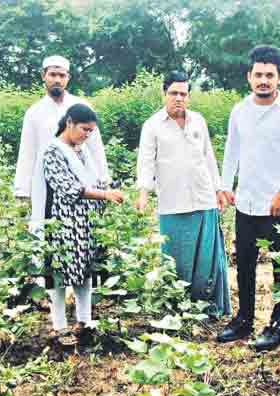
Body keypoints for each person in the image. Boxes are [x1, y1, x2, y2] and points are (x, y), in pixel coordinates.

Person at [216, 45, 280, 351]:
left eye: (269, 75)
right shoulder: (239, 111)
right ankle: (244, 320)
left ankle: (278, 326)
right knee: (244, 264)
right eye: (258, 74)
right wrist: (224, 185)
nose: (263, 80)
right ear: (249, 76)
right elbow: (231, 151)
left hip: (278, 206)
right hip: (245, 201)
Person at [135, 70, 231, 317]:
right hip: (173, 203)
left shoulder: (198, 120)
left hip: (204, 198)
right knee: (176, 259)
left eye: (184, 94)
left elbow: (208, 157)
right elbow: (146, 162)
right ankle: (179, 308)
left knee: (207, 258)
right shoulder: (152, 126)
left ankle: (208, 307)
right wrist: (143, 192)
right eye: (173, 93)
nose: (179, 98)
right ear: (164, 94)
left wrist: (218, 189)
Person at [30, 104, 124, 345]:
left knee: (86, 270)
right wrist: (104, 196)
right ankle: (59, 326)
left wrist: (108, 192)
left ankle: (85, 321)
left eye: (91, 131)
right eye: (84, 129)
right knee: (59, 273)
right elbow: (68, 188)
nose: (87, 135)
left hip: (85, 221)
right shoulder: (53, 151)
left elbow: (93, 180)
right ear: (69, 123)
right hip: (61, 221)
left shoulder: (80, 150)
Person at [14, 55, 110, 199]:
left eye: (62, 75)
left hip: (82, 183)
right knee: (49, 221)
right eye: (52, 75)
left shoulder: (82, 106)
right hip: (47, 182)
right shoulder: (34, 113)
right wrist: (22, 192)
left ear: (68, 78)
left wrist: (104, 182)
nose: (57, 80)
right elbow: (27, 153)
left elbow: (95, 146)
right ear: (43, 76)